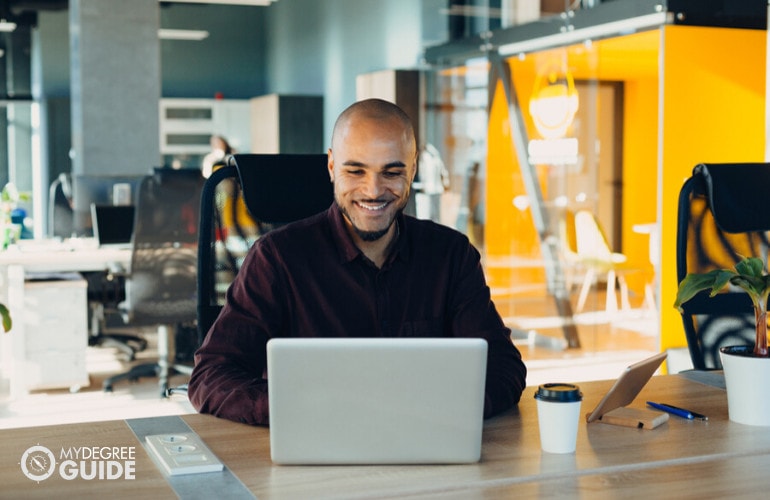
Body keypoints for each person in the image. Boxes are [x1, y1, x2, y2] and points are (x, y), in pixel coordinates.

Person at [188, 98, 527, 426]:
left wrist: (439, 408)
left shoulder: (451, 255)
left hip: (426, 442)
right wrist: (302, 408)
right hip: (316, 449)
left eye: (392, 172)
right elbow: (211, 376)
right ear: (332, 166)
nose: (373, 190)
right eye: (356, 170)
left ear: (413, 169)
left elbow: (502, 366)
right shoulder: (277, 259)